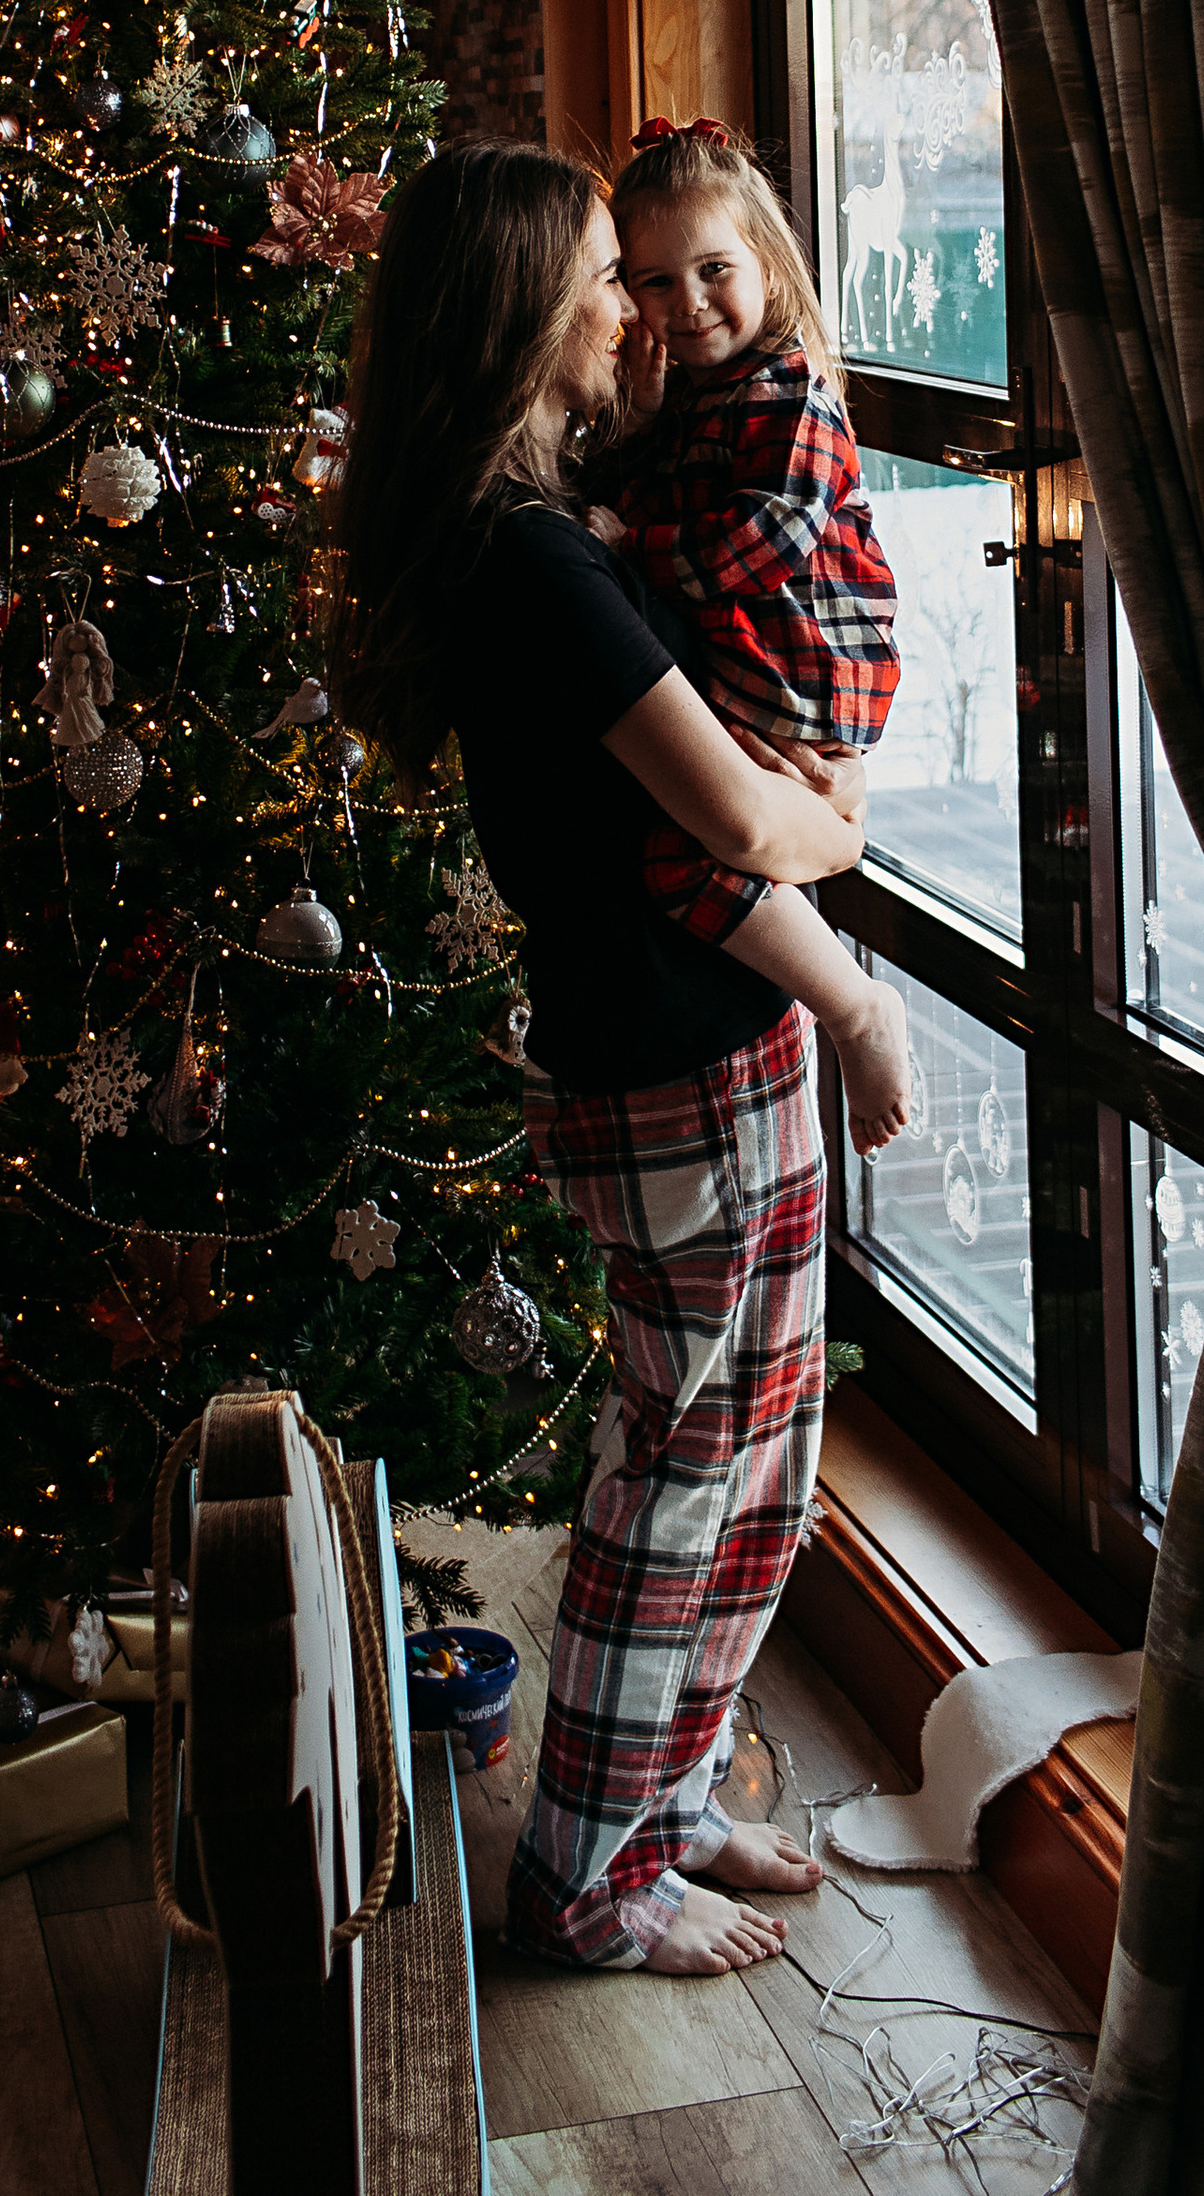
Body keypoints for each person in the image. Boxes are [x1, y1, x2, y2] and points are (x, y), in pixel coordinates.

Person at [334, 142, 913, 1980]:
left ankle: (656, 1802)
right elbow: (737, 816)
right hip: (670, 1073)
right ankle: (583, 1877)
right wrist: (837, 826)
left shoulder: (564, 519)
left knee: (759, 1457)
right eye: (604, 277)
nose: (633, 312)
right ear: (521, 321)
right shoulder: (535, 572)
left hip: (723, 1051)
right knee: (676, 1483)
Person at [587, 114, 900, 957]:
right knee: (680, 828)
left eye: (713, 269)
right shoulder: (698, 392)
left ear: (765, 257)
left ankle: (845, 996)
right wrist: (645, 418)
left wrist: (631, 547)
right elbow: (637, 493)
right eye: (655, 281)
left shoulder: (793, 394)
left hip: (803, 668)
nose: (687, 304)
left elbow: (753, 548)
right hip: (749, 658)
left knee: (686, 854)